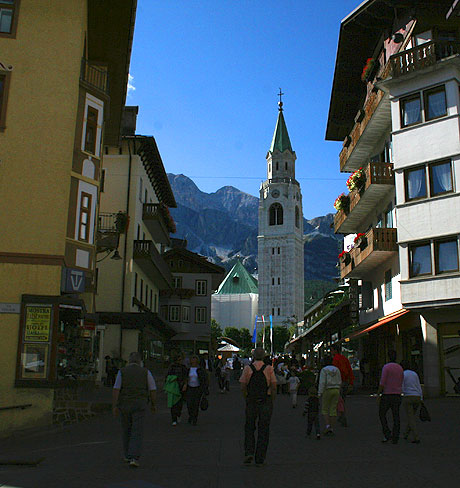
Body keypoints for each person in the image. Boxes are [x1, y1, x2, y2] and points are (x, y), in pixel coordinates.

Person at [112, 352, 156, 468]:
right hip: (140, 403)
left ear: (129, 361)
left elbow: (116, 389)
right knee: (137, 430)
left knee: (126, 429)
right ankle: (134, 457)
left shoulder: (122, 372)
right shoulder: (146, 372)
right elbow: (152, 389)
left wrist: (115, 405)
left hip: (125, 403)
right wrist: (153, 404)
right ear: (140, 361)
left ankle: (127, 454)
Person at [240, 347, 277, 467]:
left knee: (249, 427)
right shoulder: (269, 369)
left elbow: (243, 385)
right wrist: (272, 399)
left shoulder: (247, 368)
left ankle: (249, 451)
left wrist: (246, 397)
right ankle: (260, 457)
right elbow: (273, 385)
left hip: (251, 401)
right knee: (264, 429)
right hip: (265, 400)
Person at [378, 350, 404, 444]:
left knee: (382, 414)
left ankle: (387, 433)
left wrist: (378, 393)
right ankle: (395, 436)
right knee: (396, 415)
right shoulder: (400, 368)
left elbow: (382, 381)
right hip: (397, 394)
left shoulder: (386, 367)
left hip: (387, 394)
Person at [331, 343, 354, 427]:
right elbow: (349, 370)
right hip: (345, 381)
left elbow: (336, 371)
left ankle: (342, 416)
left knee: (338, 401)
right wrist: (351, 382)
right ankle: (341, 415)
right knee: (342, 400)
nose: (331, 351)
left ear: (335, 350)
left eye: (332, 350)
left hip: (339, 382)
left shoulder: (335, 359)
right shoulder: (344, 358)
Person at [318, 355, 342, 436]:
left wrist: (319, 393)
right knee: (333, 409)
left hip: (327, 389)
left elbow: (322, 382)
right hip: (336, 389)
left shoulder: (324, 370)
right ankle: (332, 427)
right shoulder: (337, 369)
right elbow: (340, 380)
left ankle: (327, 425)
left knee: (325, 409)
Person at [401, 360, 423, 444]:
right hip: (417, 396)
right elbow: (418, 385)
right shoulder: (414, 374)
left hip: (408, 396)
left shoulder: (403, 374)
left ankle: (416, 436)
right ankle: (406, 433)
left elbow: (402, 387)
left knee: (410, 417)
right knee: (412, 416)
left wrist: (402, 393)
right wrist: (421, 397)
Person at [184, 355, 209, 425]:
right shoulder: (188, 369)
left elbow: (204, 379)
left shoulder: (200, 370)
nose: (193, 362)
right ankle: (190, 415)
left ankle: (194, 418)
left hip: (197, 388)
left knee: (196, 404)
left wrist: (205, 388)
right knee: (189, 403)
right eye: (192, 360)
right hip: (189, 388)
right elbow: (185, 378)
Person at [165, 351, 188, 426]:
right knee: (173, 404)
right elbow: (167, 376)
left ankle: (178, 415)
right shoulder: (172, 367)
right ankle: (174, 418)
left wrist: (185, 384)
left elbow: (186, 377)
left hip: (180, 386)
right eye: (179, 360)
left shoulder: (183, 367)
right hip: (174, 386)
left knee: (179, 403)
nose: (180, 361)